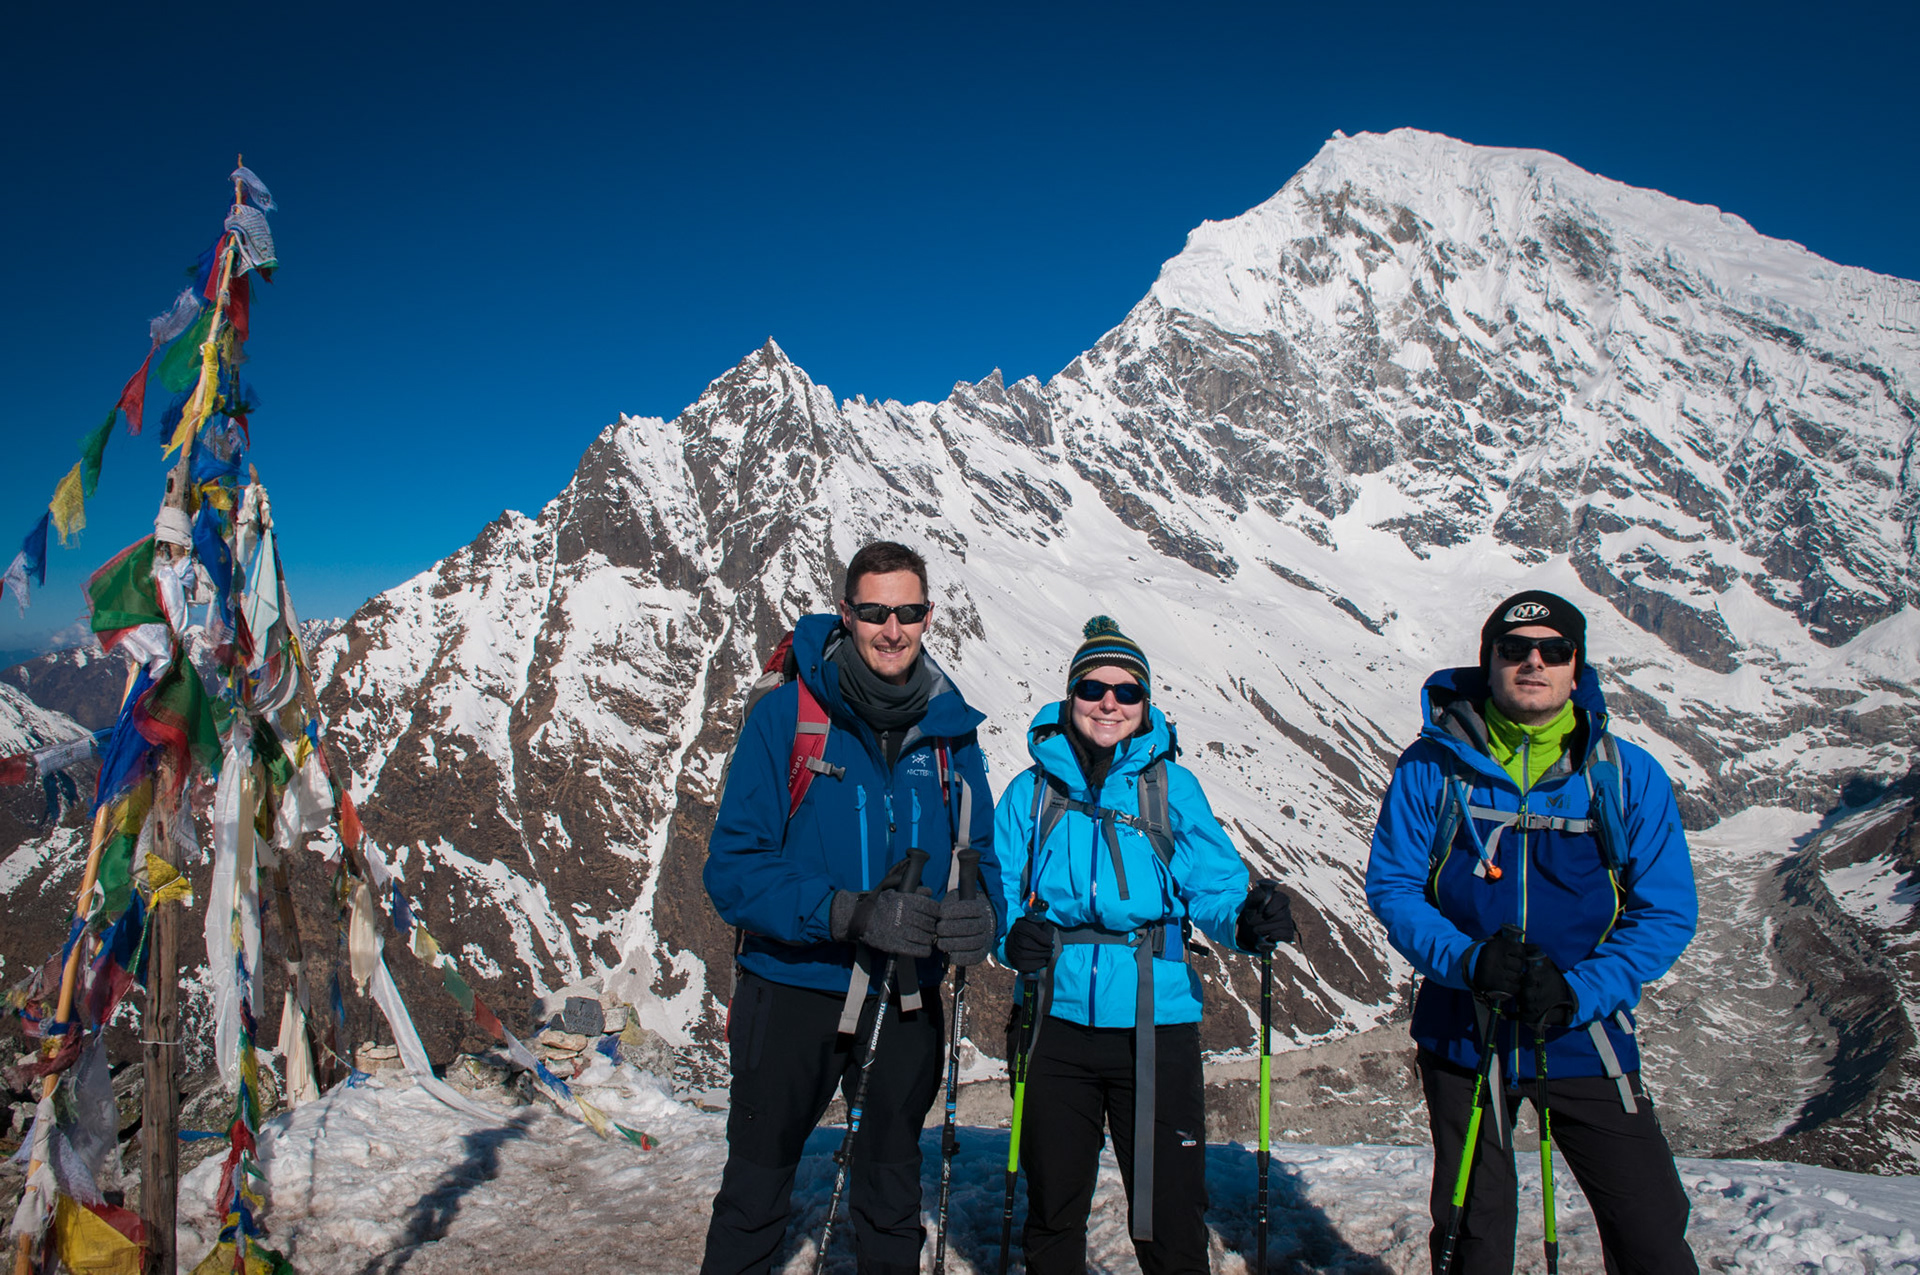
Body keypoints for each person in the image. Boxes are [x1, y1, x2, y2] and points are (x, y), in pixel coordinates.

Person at [1365, 589, 1699, 1274]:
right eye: (1514, 649)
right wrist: (1467, 960)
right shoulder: (1430, 767)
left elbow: (1665, 911)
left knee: (1651, 1230)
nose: (1533, 661)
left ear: (1578, 668)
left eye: (1553, 649)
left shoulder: (1625, 776)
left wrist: (1579, 992)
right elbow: (1394, 886)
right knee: (1471, 1236)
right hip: (1463, 1027)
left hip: (1584, 1030)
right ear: (1488, 662)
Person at [701, 541, 1002, 1275]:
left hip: (904, 1000)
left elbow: (981, 856)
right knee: (755, 1192)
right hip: (793, 990)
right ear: (847, 614)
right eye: (874, 611)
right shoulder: (788, 718)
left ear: (928, 616)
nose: (891, 627)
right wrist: (847, 913)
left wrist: (979, 913)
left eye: (906, 611)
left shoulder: (950, 732)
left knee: (893, 1197)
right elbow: (731, 870)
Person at [991, 615, 1298, 1275]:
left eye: (1127, 691)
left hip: (1156, 1024)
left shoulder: (1169, 790)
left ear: (1146, 702)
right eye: (1094, 687)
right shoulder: (1030, 793)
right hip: (1053, 1021)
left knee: (1169, 1215)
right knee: (1053, 1210)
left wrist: (1243, 919)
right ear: (1070, 695)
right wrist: (1011, 938)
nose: (1110, 702)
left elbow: (1212, 888)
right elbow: (1001, 899)